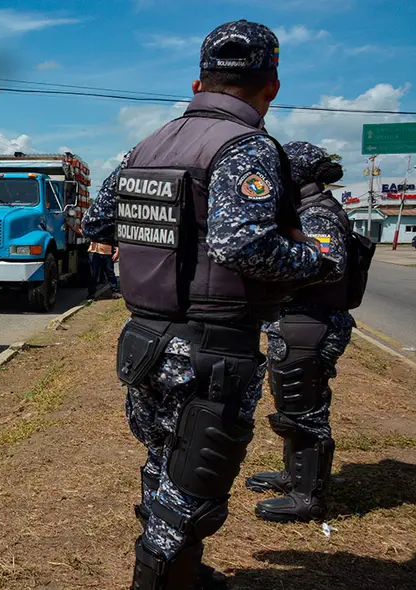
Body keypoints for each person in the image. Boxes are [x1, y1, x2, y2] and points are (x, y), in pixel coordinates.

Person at [83, 20, 334, 589]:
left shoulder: (145, 146)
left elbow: (97, 221)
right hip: (210, 349)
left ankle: (183, 574)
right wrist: (316, 263)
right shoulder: (244, 146)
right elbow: (242, 243)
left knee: (163, 467)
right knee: (194, 486)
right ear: (271, 86)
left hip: (146, 342)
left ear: (199, 84)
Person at [247, 141, 362, 523]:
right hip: (297, 321)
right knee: (291, 404)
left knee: (305, 408)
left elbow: (330, 265)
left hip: (311, 323)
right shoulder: (301, 209)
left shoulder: (317, 214)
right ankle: (292, 476)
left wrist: (270, 265)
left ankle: (306, 495)